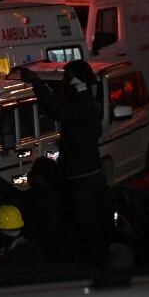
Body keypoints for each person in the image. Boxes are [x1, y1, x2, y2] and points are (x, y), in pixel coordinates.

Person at [21, 61, 107, 265]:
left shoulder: (82, 105)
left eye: (67, 77)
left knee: (85, 225)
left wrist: (38, 84)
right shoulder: (87, 103)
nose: (64, 82)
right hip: (88, 172)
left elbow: (55, 109)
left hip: (81, 176)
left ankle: (90, 264)